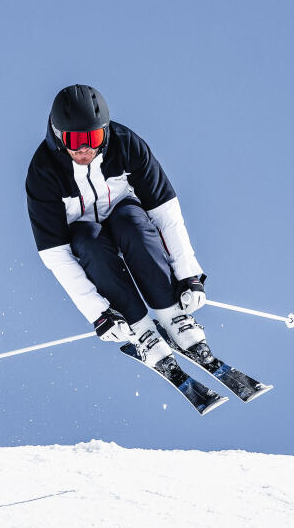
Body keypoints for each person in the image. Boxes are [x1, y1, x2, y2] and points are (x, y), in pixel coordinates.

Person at [25, 84, 210, 368]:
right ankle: (142, 331)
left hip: (124, 214)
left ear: (105, 131)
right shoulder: (43, 172)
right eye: (75, 140)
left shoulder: (126, 144)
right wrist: (97, 313)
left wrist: (189, 275)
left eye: (94, 136)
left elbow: (165, 212)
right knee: (88, 239)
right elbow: (55, 255)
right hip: (85, 233)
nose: (85, 148)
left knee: (131, 223)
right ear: (60, 136)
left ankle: (173, 315)